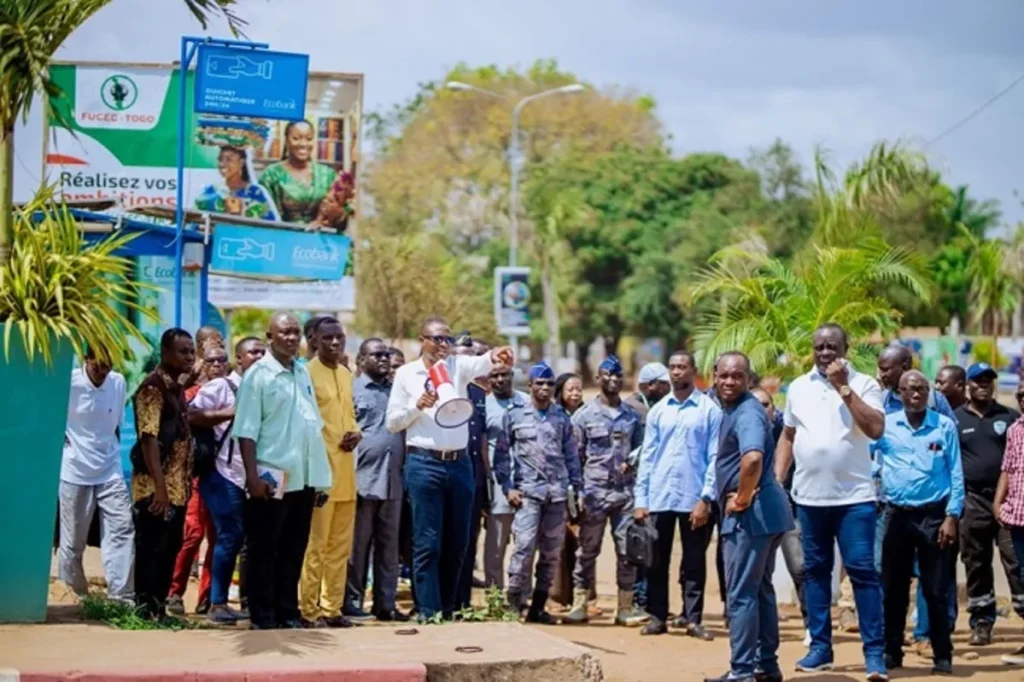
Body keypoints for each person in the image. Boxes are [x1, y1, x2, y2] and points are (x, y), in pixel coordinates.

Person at [774, 323, 887, 679]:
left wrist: (843, 388)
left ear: (846, 348)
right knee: (816, 573)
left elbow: (875, 429)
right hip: (809, 499)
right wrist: (778, 480)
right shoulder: (799, 387)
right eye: (819, 347)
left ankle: (874, 655)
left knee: (862, 572)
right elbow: (788, 435)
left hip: (854, 499)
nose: (825, 353)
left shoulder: (866, 383)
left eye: (832, 347)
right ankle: (820, 648)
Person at [385, 316, 512, 620]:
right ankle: (429, 612)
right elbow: (392, 423)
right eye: (438, 339)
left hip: (459, 465)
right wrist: (419, 405)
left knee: (458, 543)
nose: (444, 346)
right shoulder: (406, 374)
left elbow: (485, 362)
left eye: (448, 340)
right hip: (424, 464)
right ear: (422, 340)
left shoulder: (457, 366)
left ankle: (449, 608)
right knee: (428, 543)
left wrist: (499, 354)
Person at [234, 312, 332, 630]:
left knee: (293, 548)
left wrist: (318, 479)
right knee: (265, 549)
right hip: (270, 478)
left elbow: (311, 425)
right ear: (269, 337)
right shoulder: (258, 375)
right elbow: (246, 431)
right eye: (284, 332)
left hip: (302, 478)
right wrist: (252, 477)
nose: (291, 338)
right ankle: (263, 615)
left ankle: (287, 612)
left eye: (295, 333)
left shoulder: (301, 373)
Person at [704, 352, 794, 682]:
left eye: (737, 376)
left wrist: (741, 497)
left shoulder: (746, 412)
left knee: (741, 594)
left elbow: (753, 459)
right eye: (724, 375)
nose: (729, 381)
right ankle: (765, 666)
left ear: (748, 380)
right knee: (760, 591)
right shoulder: (735, 409)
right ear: (714, 375)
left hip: (752, 516)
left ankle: (742, 672)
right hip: (768, 513)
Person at [871, 370, 961, 675]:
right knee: (893, 588)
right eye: (910, 389)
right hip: (896, 515)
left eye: (922, 389)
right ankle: (892, 652)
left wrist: (952, 516)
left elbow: (956, 474)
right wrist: (873, 481)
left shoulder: (944, 426)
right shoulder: (887, 426)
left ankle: (942, 655)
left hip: (934, 516)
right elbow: (868, 458)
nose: (916, 394)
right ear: (899, 393)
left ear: (928, 393)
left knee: (935, 589)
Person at [634, 350, 721, 639]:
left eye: (682, 367)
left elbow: (714, 457)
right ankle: (658, 617)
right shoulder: (659, 410)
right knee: (657, 561)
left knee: (694, 561)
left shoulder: (709, 410)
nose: (676, 372)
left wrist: (706, 498)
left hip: (693, 498)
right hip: (660, 497)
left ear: (693, 371)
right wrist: (641, 499)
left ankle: (693, 619)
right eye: (672, 367)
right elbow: (647, 456)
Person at [494, 361, 583, 622]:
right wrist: (507, 487)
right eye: (539, 384)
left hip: (556, 496)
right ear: (530, 386)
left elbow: (572, 456)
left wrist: (577, 491)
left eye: (549, 384)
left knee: (551, 554)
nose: (544, 388)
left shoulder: (561, 418)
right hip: (527, 495)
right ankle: (513, 605)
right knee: (522, 549)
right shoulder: (514, 415)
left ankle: (538, 607)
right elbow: (501, 455)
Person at [565, 356, 647, 627]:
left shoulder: (632, 416)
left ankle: (624, 608)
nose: (613, 380)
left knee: (628, 552)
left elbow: (641, 451)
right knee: (587, 551)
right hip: (593, 493)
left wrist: (632, 465)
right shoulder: (583, 416)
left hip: (624, 494)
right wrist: (576, 494)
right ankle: (580, 604)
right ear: (598, 379)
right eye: (607, 375)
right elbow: (574, 458)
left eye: (617, 375)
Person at [190, 336, 265, 623]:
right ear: (239, 358)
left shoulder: (262, 387)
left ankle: (246, 600)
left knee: (246, 539)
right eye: (252, 352)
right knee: (229, 536)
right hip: (223, 473)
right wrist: (230, 412)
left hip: (252, 477)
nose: (258, 357)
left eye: (262, 352)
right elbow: (192, 413)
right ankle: (217, 603)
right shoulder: (222, 385)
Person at [956, 362, 1024, 646]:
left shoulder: (1009, 416)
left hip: (1008, 504)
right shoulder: (955, 419)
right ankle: (981, 621)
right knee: (976, 562)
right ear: (967, 386)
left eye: (989, 380)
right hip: (972, 500)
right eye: (978, 380)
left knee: (1016, 562)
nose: (984, 385)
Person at [58, 347, 133, 604]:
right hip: (75, 471)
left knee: (122, 529)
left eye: (108, 365)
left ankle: (121, 598)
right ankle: (75, 596)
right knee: (73, 542)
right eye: (97, 365)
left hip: (110, 471)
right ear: (86, 360)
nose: (103, 371)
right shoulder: (69, 382)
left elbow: (116, 427)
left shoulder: (118, 382)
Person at [300, 317, 362, 628]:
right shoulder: (306, 373)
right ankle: (308, 610)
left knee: (339, 547)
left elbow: (349, 416)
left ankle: (332, 608)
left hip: (347, 474)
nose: (335, 343)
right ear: (315, 340)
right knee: (316, 546)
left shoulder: (346, 374)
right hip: (320, 474)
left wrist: (356, 432)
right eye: (328, 338)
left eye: (339, 338)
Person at [131, 328, 195, 618]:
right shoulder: (153, 389)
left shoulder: (176, 389)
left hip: (177, 489)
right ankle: (145, 609)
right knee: (151, 549)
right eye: (183, 351)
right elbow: (148, 439)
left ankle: (158, 609)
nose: (190, 357)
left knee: (170, 548)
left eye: (192, 351)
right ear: (166, 353)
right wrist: (160, 487)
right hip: (156, 489)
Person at [346, 338, 408, 621]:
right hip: (362, 478)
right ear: (361, 360)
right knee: (358, 547)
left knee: (389, 548)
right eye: (377, 355)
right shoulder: (351, 389)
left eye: (386, 355)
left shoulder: (398, 391)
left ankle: (386, 603)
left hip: (393, 479)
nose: (384, 359)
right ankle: (352, 602)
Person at [167, 342, 229, 615]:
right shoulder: (192, 394)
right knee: (192, 534)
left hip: (224, 475)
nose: (217, 366)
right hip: (196, 474)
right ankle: (174, 593)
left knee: (218, 538)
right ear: (201, 363)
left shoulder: (234, 392)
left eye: (222, 361)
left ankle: (207, 597)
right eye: (211, 361)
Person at [752, 386, 808, 644]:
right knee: (761, 571)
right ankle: (760, 628)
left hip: (789, 507)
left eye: (766, 404)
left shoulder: (787, 432)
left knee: (799, 566)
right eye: (756, 405)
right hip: (753, 512)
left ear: (774, 408)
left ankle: (811, 625)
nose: (762, 410)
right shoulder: (743, 430)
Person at [453, 334, 492, 608]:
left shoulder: (480, 395)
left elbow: (482, 441)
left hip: (474, 480)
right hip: (447, 474)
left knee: (468, 545)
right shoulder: (441, 389)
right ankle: (442, 603)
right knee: (446, 543)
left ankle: (463, 603)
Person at [483, 362, 528, 588]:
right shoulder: (483, 406)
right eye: (495, 376)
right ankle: (494, 597)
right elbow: (481, 446)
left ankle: (521, 595)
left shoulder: (527, 402)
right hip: (498, 483)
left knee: (526, 543)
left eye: (505, 374)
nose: (500, 380)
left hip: (528, 482)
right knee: (496, 544)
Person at [549, 372, 589, 611]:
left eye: (578, 389)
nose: (575, 394)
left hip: (586, 486)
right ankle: (556, 596)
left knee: (585, 544)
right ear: (561, 392)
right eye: (570, 389)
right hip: (559, 487)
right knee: (559, 543)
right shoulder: (553, 415)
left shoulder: (589, 415)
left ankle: (584, 597)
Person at [259, 120, 341, 226]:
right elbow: (263, 215)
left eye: (309, 139)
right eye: (296, 138)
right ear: (287, 140)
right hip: (282, 238)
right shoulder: (271, 174)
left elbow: (340, 217)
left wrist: (332, 216)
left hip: (321, 239)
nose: (303, 144)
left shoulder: (328, 174)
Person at [994, 379, 1024, 665]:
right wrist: (998, 502)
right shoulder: (1015, 429)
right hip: (1017, 516)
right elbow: (1007, 468)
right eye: (1020, 395)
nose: (1023, 399)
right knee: (1021, 577)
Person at [194, 145, 278, 220]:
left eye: (229, 160)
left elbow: (270, 225)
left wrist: (241, 211)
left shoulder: (255, 192)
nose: (222, 164)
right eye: (220, 159)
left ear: (241, 163)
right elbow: (193, 217)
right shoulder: (212, 190)